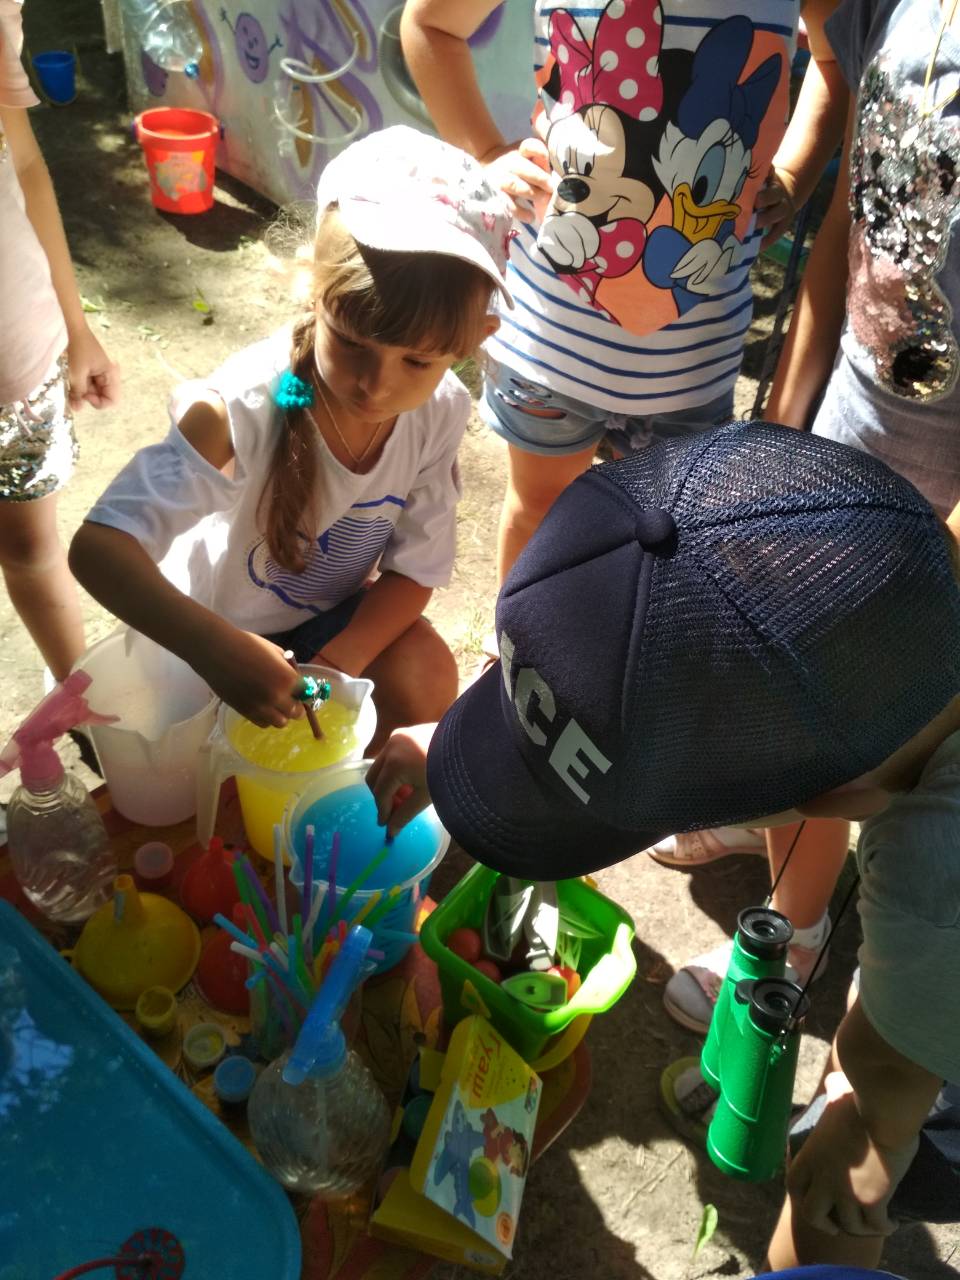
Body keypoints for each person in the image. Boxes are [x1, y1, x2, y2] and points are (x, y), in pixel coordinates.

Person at [367, 420, 960, 1268]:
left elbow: (884, 1099)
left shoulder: (934, 883)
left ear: (814, 806)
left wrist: (863, 1131)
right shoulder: (907, 587)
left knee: (845, 1175)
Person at [660, 0, 960, 1049]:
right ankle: (776, 829)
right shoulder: (906, 11)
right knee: (786, 663)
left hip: (937, 501)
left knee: (851, 704)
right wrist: (787, 418)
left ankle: (795, 923)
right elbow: (849, 221)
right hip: (849, 421)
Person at [68, 126, 510, 746]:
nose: (375, 386)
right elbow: (98, 548)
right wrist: (214, 650)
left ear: (475, 339)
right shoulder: (244, 407)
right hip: (205, 639)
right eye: (351, 343)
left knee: (425, 672)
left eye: (417, 361)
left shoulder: (438, 412)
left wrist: (330, 669)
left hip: (322, 634)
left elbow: (414, 573)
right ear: (313, 288)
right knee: (199, 767)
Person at [400, 0, 846, 584]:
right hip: (552, 341)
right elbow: (429, 24)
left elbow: (839, 54)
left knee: (667, 545)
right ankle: (519, 638)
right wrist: (485, 152)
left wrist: (795, 173)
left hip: (691, 362)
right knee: (539, 512)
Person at [1, 0, 119, 682]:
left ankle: (78, 692)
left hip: (20, 369)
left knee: (30, 548)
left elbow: (23, 165)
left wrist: (77, 330)